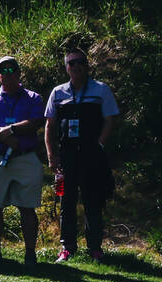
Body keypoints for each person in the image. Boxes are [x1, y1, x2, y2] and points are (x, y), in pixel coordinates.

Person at [44, 48, 119, 263]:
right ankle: (67, 248)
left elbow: (110, 119)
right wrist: (52, 156)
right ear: (66, 68)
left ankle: (95, 248)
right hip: (65, 158)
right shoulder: (58, 92)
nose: (76, 66)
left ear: (87, 65)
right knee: (65, 201)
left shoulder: (100, 90)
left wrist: (99, 144)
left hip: (92, 156)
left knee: (93, 200)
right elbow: (50, 125)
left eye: (80, 62)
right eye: (72, 63)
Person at [0, 56, 46, 266]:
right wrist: (2, 135)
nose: (7, 74)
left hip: (25, 158)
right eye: (2, 71)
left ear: (18, 73)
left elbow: (36, 122)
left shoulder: (33, 97)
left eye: (11, 70)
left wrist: (12, 129)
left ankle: (30, 254)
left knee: (27, 207)